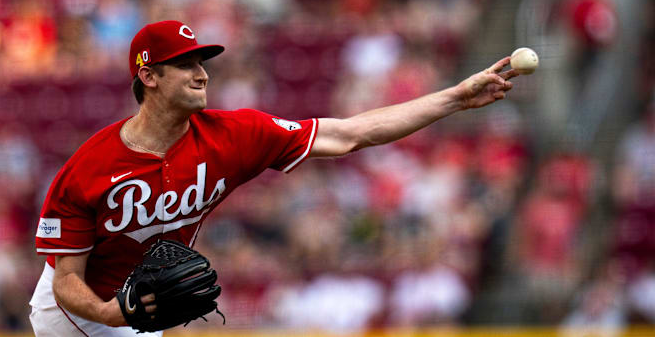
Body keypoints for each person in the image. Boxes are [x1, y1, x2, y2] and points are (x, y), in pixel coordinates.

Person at [29, 20, 519, 336]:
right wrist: (114, 313)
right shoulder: (91, 166)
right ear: (149, 76)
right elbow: (65, 280)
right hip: (76, 313)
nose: (202, 74)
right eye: (185, 64)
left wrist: (454, 98)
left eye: (203, 63)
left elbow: (348, 135)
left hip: (141, 310)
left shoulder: (234, 135)